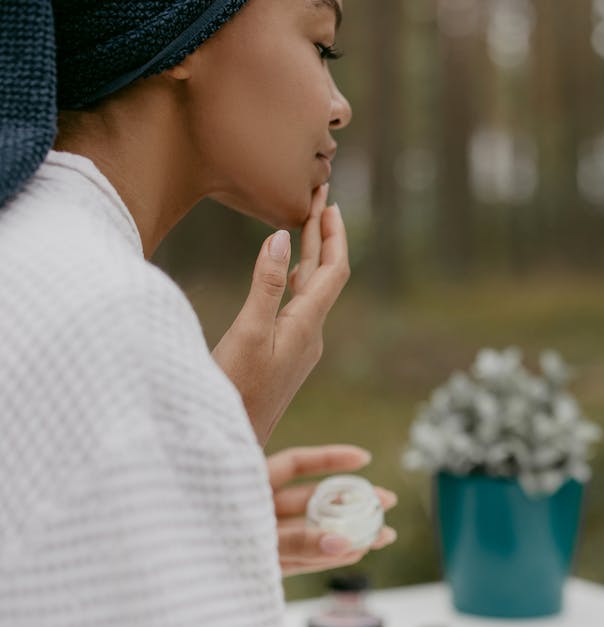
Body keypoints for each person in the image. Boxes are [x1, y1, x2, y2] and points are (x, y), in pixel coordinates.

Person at [0, 0, 396, 624]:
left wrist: (199, 501)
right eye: (322, 47)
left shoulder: (29, 257)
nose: (339, 106)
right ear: (186, 37)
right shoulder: (111, 312)